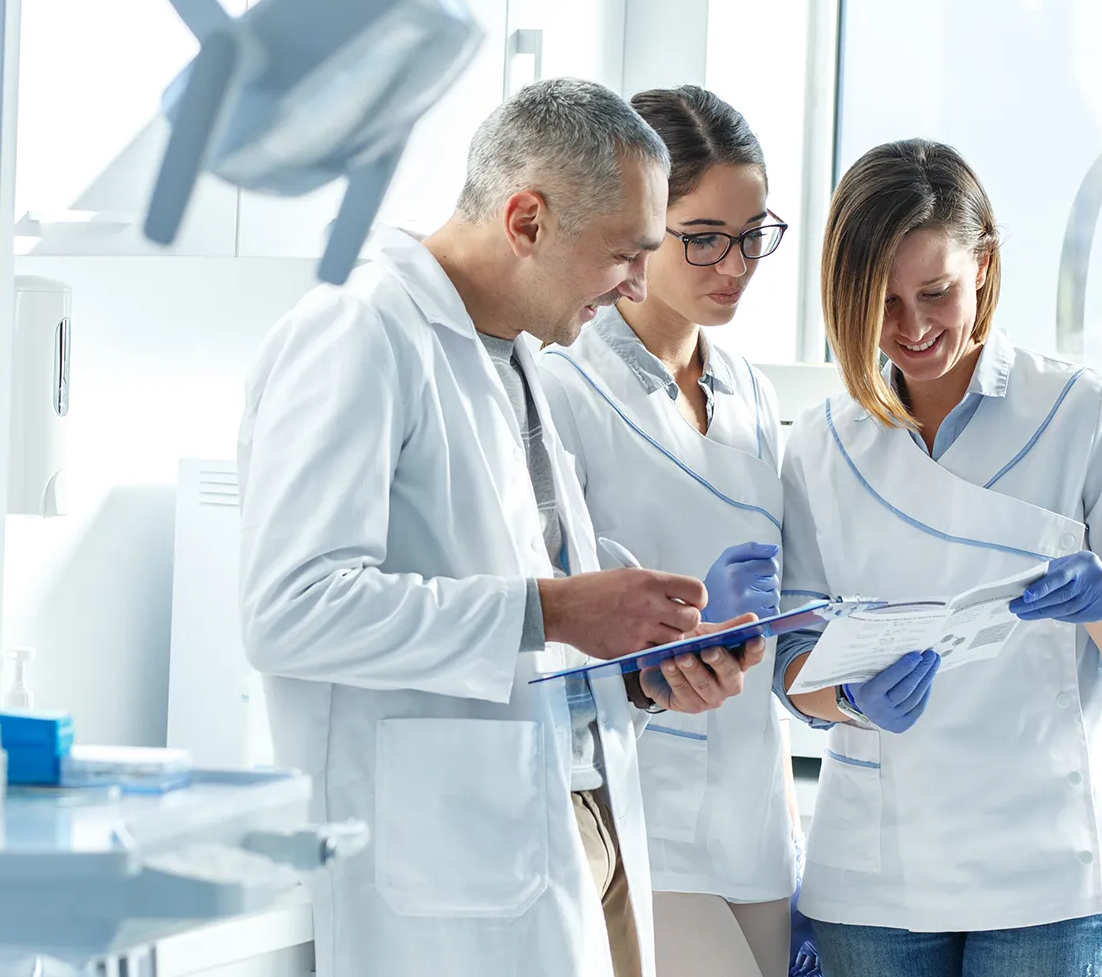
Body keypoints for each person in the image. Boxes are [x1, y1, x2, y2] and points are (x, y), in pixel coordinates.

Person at [238, 78, 774, 977]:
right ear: (526, 220)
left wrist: (645, 670)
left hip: (579, 825)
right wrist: (556, 610)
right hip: (452, 857)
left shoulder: (515, 353)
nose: (637, 284)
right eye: (624, 254)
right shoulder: (357, 333)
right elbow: (290, 611)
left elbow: (526, 608)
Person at [772, 138, 1102, 977]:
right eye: (883, 302)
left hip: (1049, 871)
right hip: (876, 873)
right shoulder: (823, 444)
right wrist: (849, 699)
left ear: (986, 267)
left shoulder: (1084, 414)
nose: (913, 328)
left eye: (937, 292)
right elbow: (792, 659)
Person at [537, 85, 801, 977]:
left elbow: (777, 619)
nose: (737, 265)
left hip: (756, 824)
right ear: (644, 227)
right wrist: (675, 634)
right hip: (638, 815)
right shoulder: (565, 386)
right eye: (705, 238)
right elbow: (542, 627)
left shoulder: (753, 394)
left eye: (754, 234)